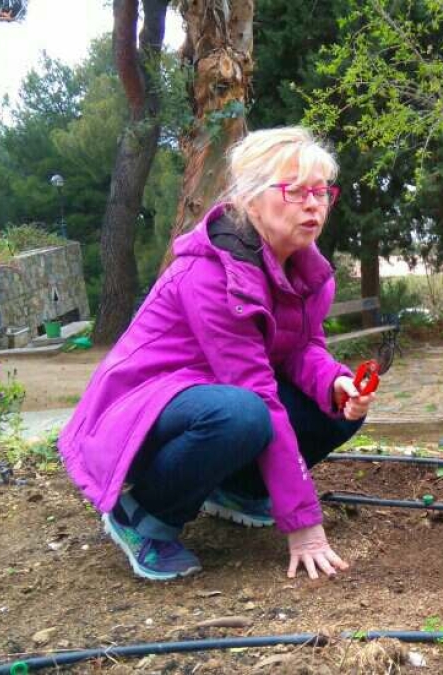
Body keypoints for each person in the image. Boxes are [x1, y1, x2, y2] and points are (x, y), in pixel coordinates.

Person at [58, 127, 374, 581]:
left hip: (210, 397)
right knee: (243, 414)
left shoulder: (304, 267)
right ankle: (141, 514)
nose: (313, 203)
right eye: (295, 190)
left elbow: (302, 348)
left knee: (337, 409)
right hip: (145, 408)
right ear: (250, 199)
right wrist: (304, 526)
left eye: (322, 192)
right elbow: (258, 393)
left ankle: (238, 492)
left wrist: (334, 382)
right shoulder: (210, 275)